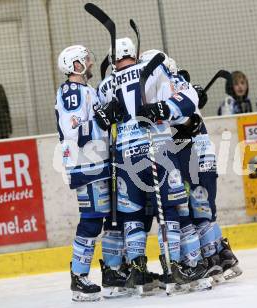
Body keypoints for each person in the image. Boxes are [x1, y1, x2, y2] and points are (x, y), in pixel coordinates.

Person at [97, 38, 211, 294]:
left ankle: (137, 272)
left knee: (133, 216)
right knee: (170, 210)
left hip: (125, 157)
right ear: (133, 53)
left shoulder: (105, 86)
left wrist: (107, 116)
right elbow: (189, 98)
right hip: (158, 151)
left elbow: (99, 122)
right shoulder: (155, 68)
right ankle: (173, 268)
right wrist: (164, 108)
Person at [140, 50, 242, 281]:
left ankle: (209, 260)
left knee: (193, 210)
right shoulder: (180, 84)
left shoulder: (168, 88)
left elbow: (185, 122)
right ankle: (219, 255)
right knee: (204, 209)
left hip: (192, 156)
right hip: (203, 155)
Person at [55, 45, 127, 301]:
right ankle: (79, 277)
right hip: (86, 164)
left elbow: (99, 123)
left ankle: (111, 271)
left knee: (112, 217)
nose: (89, 61)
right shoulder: (71, 92)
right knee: (92, 219)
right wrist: (101, 119)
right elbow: (76, 132)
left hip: (100, 162)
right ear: (75, 65)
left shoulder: (88, 90)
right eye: (85, 58)